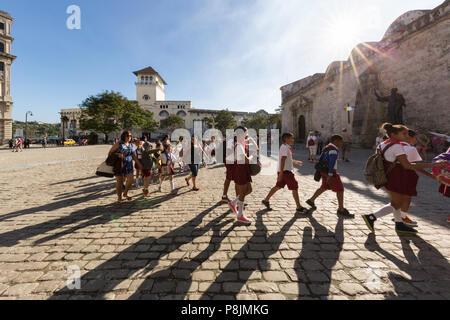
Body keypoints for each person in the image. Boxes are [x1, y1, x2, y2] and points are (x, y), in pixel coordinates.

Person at [361, 123, 445, 235]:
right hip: (396, 176)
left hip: (387, 175)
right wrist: (432, 165)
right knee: (397, 203)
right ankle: (371, 217)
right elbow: (407, 165)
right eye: (403, 133)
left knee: (396, 202)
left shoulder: (383, 144)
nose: (406, 135)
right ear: (393, 134)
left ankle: (399, 224)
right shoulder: (397, 147)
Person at [305, 135, 354, 218]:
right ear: (336, 141)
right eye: (341, 141)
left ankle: (311, 200)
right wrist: (330, 175)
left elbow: (321, 158)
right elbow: (331, 163)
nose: (342, 143)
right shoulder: (334, 150)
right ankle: (341, 209)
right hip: (330, 172)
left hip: (323, 171)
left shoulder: (327, 147)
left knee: (324, 187)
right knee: (340, 189)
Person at [262, 133, 308, 214]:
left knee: (278, 186)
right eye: (291, 138)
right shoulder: (284, 147)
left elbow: (287, 159)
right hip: (286, 172)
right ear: (286, 139)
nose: (293, 140)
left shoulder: (286, 147)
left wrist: (295, 162)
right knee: (294, 187)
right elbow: (283, 160)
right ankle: (298, 207)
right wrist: (281, 173)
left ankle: (266, 200)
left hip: (284, 171)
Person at [108, 131, 142, 204]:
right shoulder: (118, 144)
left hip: (129, 165)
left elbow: (133, 156)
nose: (129, 137)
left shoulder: (130, 145)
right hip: (119, 165)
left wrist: (139, 165)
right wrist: (118, 154)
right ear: (123, 136)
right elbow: (110, 153)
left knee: (130, 180)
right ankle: (119, 198)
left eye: (130, 136)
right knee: (119, 182)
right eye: (127, 135)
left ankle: (125, 193)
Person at [227, 126, 253, 224]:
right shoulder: (239, 145)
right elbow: (246, 160)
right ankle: (240, 215)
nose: (247, 135)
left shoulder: (240, 144)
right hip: (241, 169)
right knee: (242, 192)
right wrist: (252, 156)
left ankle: (233, 203)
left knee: (249, 190)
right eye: (246, 133)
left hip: (243, 169)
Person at [221, 136, 237, 203]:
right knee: (235, 179)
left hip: (229, 161)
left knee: (229, 178)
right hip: (231, 162)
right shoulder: (233, 142)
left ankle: (225, 196)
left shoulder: (230, 141)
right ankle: (238, 199)